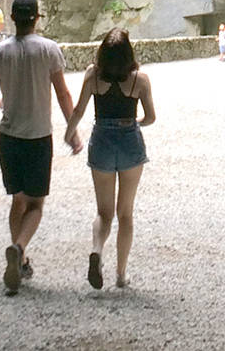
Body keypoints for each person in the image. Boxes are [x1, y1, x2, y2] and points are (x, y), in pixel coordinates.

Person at [0, 0, 82, 295]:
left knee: (18, 199)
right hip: (38, 136)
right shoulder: (49, 50)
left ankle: (20, 259)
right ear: (37, 17)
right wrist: (72, 130)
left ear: (12, 17)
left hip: (8, 136)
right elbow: (63, 94)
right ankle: (19, 247)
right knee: (36, 204)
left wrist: (4, 104)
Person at [63, 28, 155, 290]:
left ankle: (96, 250)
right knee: (125, 213)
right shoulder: (140, 81)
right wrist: (134, 122)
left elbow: (79, 109)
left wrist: (69, 134)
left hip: (101, 140)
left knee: (104, 213)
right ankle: (121, 274)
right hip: (129, 141)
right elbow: (150, 117)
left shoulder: (93, 75)